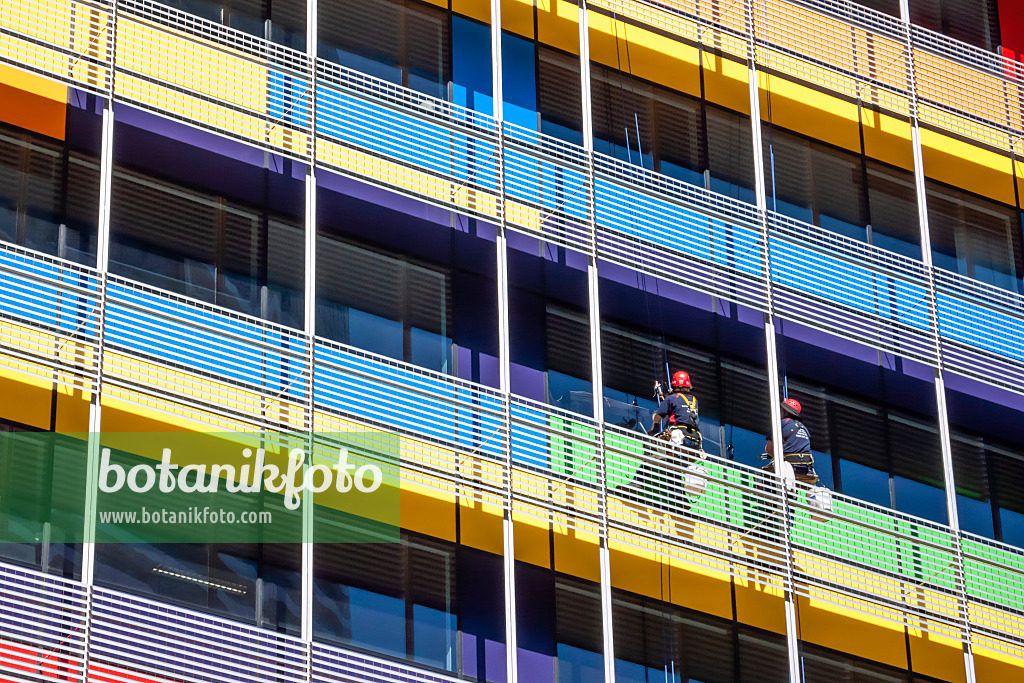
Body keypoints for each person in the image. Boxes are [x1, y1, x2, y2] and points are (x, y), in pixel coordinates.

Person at [762, 397, 818, 484]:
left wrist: (774, 456)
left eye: (781, 410)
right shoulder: (804, 428)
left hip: (789, 466)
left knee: (763, 477)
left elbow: (769, 449)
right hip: (805, 468)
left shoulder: (782, 423)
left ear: (786, 412)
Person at [649, 370, 702, 451]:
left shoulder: (671, 398)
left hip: (677, 436)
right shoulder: (694, 400)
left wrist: (655, 421)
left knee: (653, 451)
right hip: (694, 438)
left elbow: (657, 417)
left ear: (674, 384)